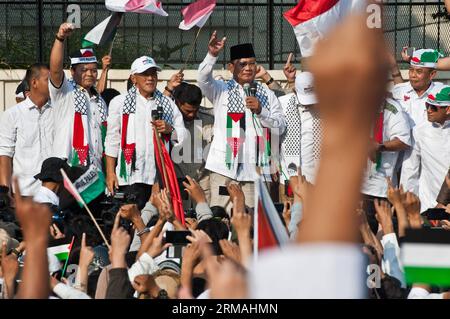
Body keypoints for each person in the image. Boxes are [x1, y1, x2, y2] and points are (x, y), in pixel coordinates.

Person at [197, 32, 286, 210]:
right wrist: (212, 55)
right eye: (242, 64)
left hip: (254, 170)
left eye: (252, 63)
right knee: (220, 217)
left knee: (251, 221)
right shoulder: (220, 90)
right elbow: (202, 79)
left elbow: (280, 126)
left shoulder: (266, 95)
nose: (248, 68)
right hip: (223, 169)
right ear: (231, 67)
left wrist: (261, 111)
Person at [104, 56, 187, 209]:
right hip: (129, 176)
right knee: (129, 223)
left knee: (156, 224)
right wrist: (110, 173)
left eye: (153, 74)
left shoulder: (168, 103)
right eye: (145, 74)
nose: (150, 78)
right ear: (133, 78)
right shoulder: (119, 102)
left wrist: (170, 130)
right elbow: (112, 140)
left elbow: (183, 136)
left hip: (159, 177)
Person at [49, 23, 108, 171]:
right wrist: (60, 38)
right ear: (72, 71)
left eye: (94, 70)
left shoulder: (98, 100)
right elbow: (55, 71)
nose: (89, 74)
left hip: (95, 171)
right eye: (84, 70)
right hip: (70, 168)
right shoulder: (65, 91)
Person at [0, 63, 53, 197]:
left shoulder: (59, 111)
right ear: (34, 82)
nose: (53, 83)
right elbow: (5, 155)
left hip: (53, 193)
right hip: (23, 193)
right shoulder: (12, 115)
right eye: (48, 80)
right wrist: (6, 194)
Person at [361, 97, 411, 233]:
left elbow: (403, 141)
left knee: (381, 237)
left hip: (379, 187)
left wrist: (379, 147)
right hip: (355, 185)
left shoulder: (392, 109)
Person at [401, 85, 450, 212]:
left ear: (448, 109)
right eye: (427, 105)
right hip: (429, 205)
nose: (428, 110)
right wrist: (407, 206)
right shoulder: (419, 130)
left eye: (434, 107)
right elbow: (410, 169)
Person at [168, 80, 214, 207]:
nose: (192, 114)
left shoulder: (209, 120)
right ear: (177, 103)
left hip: (203, 184)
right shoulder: (168, 120)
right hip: (177, 184)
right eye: (187, 111)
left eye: (195, 110)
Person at [279, 71, 321, 188]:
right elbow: (272, 133)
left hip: (317, 178)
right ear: (294, 91)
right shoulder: (282, 103)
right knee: (290, 206)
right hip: (288, 176)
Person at [395, 48, 445, 128]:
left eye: (419, 71)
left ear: (432, 74)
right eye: (411, 70)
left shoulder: (441, 93)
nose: (413, 75)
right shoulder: (398, 91)